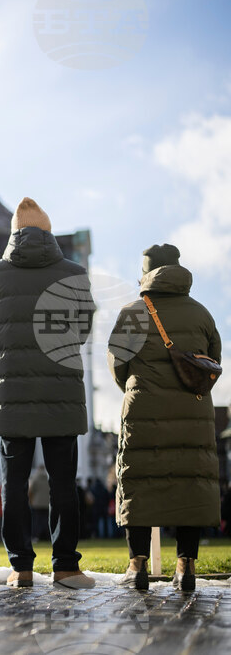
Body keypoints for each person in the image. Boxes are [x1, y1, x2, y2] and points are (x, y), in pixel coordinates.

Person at [0, 197, 96, 589]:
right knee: (64, 482)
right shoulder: (74, 274)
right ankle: (65, 566)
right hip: (61, 391)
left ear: (14, 233)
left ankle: (20, 567)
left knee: (14, 482)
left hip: (12, 392)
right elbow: (83, 331)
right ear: (48, 232)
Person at [107, 244, 222, 591]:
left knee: (139, 481)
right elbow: (213, 362)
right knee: (191, 481)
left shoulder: (132, 313)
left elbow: (117, 366)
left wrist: (139, 386)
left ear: (145, 274)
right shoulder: (201, 313)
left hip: (144, 410)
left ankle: (137, 565)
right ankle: (186, 567)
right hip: (193, 409)